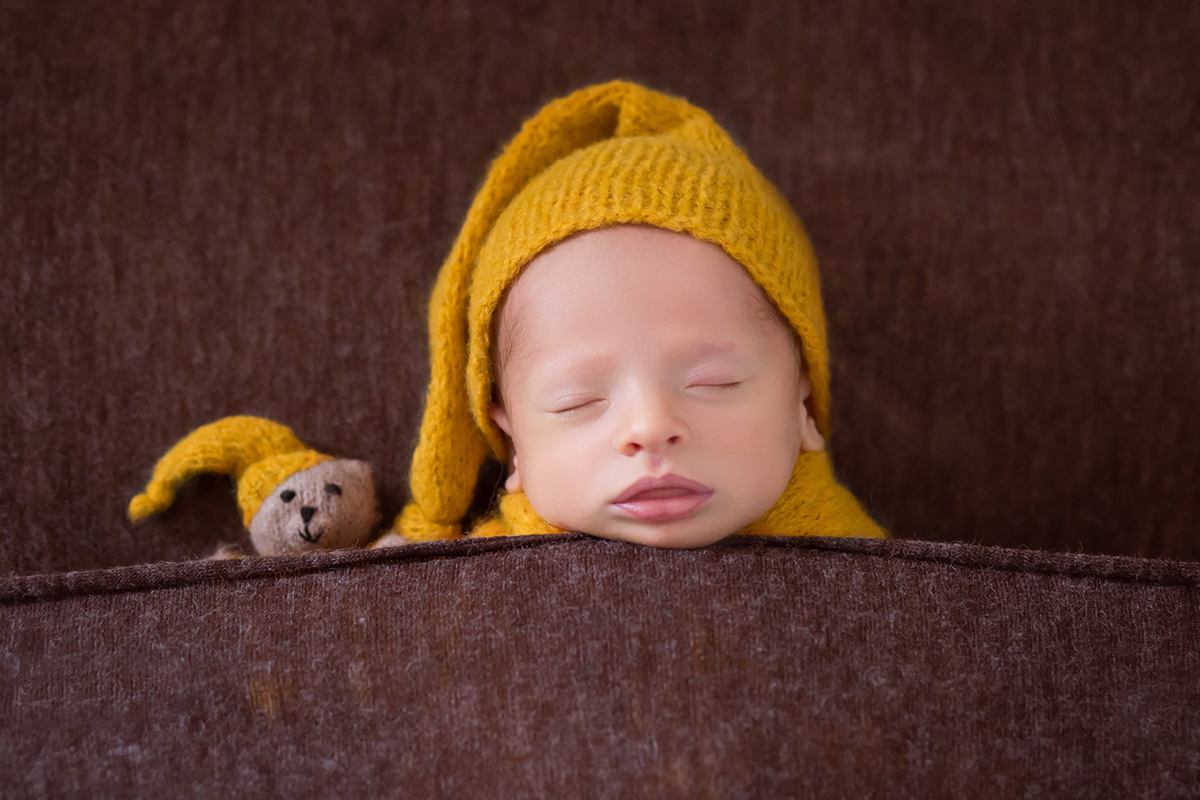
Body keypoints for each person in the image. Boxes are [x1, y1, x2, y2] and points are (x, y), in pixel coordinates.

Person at [388, 80, 885, 547]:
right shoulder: (463, 588)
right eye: (575, 402)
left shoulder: (892, 588)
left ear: (802, 400)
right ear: (514, 443)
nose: (650, 426)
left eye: (714, 382)